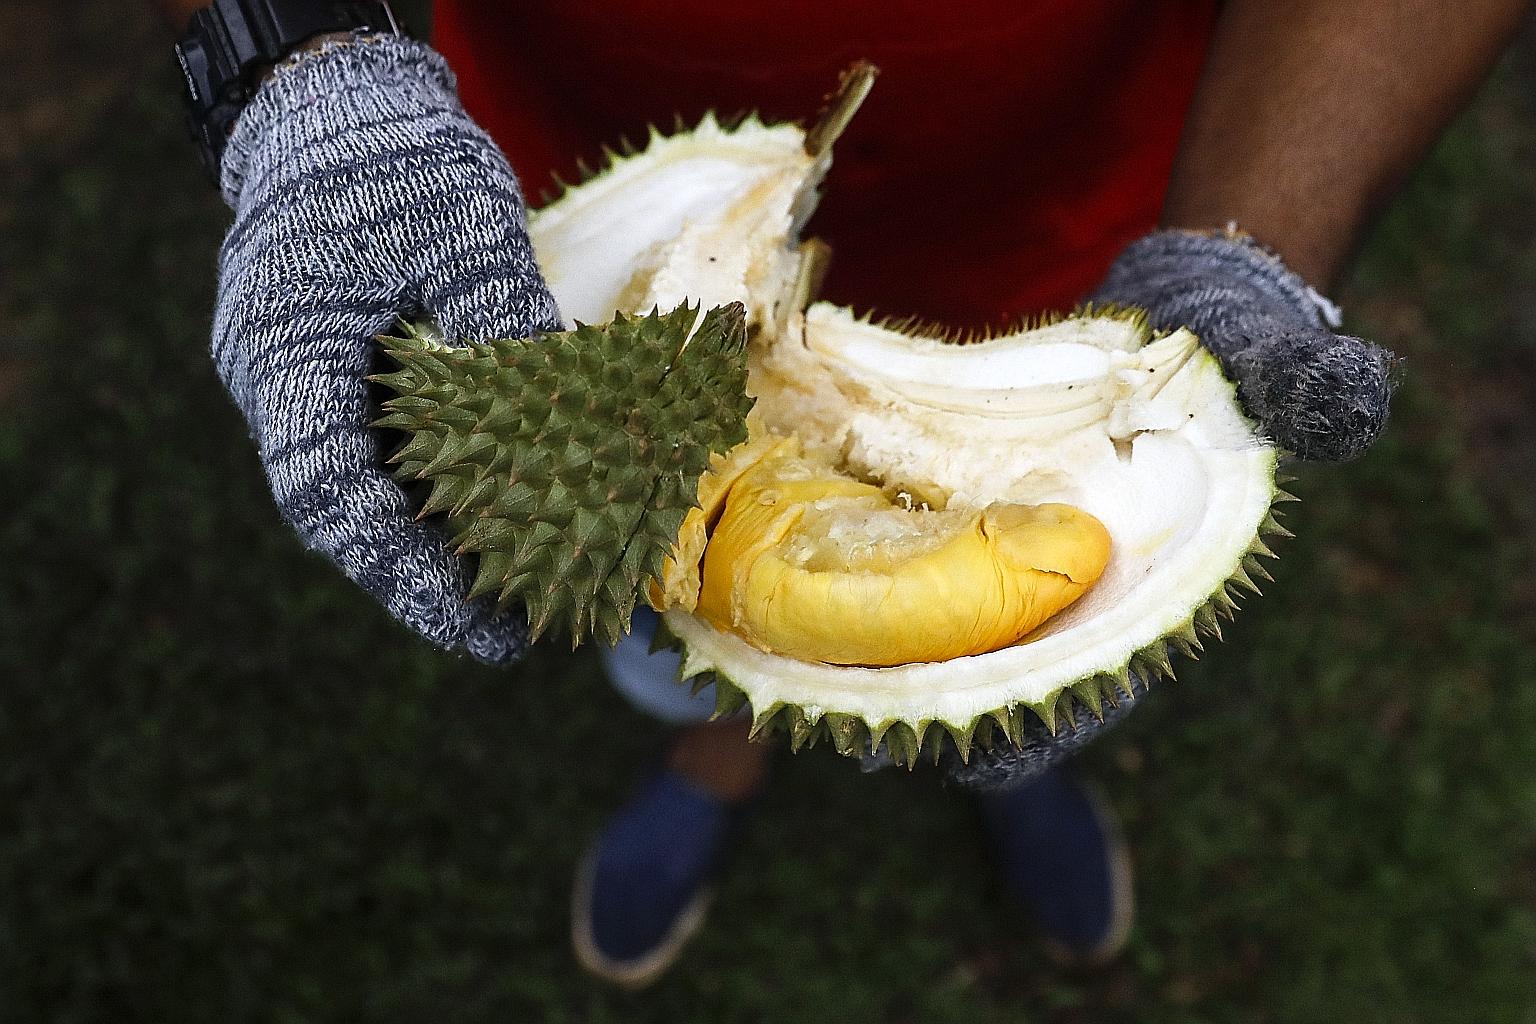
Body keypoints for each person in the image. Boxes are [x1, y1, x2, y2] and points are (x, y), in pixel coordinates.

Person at [164, 0, 1529, 990]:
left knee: (1052, 639)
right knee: (665, 608)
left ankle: (1016, 767)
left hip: (1089, 207)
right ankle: (718, 742)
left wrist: (1244, 253)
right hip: (605, 229)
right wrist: (301, 59)